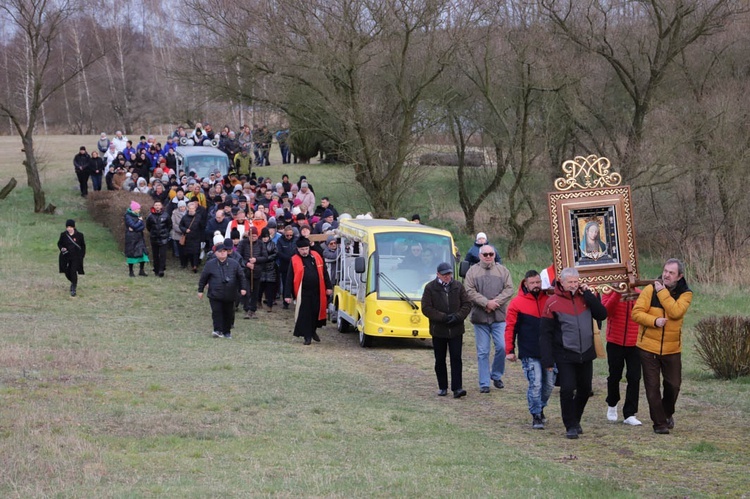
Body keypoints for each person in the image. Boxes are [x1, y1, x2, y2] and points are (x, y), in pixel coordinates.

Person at [540, 267, 607, 439]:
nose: (573, 285)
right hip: (564, 353)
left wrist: (589, 295)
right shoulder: (552, 302)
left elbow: (602, 314)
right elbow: (545, 334)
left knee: (585, 390)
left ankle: (575, 419)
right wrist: (547, 359)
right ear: (561, 282)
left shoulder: (586, 298)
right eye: (570, 282)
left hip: (586, 352)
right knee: (567, 389)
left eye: (576, 282)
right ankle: (569, 425)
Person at [632, 259, 693, 435]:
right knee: (652, 388)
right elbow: (636, 313)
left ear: (679, 276)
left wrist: (662, 292)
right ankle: (659, 424)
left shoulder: (686, 294)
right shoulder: (650, 290)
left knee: (673, 385)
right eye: (665, 271)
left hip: (672, 349)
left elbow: (675, 312)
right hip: (647, 348)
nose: (666, 275)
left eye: (671, 273)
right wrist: (654, 321)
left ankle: (667, 414)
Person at [505, 270, 555, 429]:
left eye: (538, 282)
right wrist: (509, 350)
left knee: (549, 385)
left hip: (549, 351)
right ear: (525, 283)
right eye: (532, 283)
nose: (536, 285)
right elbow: (510, 327)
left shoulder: (548, 299)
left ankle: (540, 407)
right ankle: (536, 415)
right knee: (536, 384)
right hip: (529, 351)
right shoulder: (517, 303)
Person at [463, 245, 514, 393]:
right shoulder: (472, 271)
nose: (488, 256)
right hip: (480, 318)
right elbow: (469, 291)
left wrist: (495, 303)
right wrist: (486, 303)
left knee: (502, 347)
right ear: (479, 255)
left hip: (499, 317)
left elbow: (509, 289)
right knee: (483, 351)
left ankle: (496, 375)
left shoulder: (503, 270)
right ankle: (484, 383)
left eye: (491, 254)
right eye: (485, 254)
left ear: (494, 255)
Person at [421, 262, 472, 398]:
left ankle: (457, 388)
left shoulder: (458, 286)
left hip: (456, 329)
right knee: (440, 359)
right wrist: (443, 317)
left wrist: (458, 316)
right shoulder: (430, 287)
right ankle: (442, 386)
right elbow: (426, 308)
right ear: (438, 274)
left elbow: (467, 304)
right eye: (444, 274)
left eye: (449, 274)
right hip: (439, 330)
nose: (447, 277)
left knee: (456, 358)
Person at [284, 237, 333, 345]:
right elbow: (289, 278)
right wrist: (287, 295)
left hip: (317, 290)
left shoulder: (316, 256)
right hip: (303, 292)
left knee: (316, 312)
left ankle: (313, 330)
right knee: (306, 314)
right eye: (302, 249)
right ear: (298, 249)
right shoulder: (294, 259)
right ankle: (307, 336)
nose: (305, 251)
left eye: (306, 249)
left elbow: (324, 272)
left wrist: (329, 287)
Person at [198, 239, 248, 339]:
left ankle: (227, 332)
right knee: (216, 312)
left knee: (229, 313)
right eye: (220, 252)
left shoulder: (234, 264)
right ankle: (217, 330)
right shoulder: (210, 264)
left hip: (230, 294)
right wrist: (200, 290)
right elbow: (203, 277)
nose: (222, 253)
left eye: (224, 251)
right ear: (215, 253)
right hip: (215, 293)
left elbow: (241, 276)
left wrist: (243, 288)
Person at [58, 219, 86, 297]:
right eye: (67, 227)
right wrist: (62, 248)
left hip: (75, 257)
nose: (69, 228)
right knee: (66, 271)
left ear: (73, 227)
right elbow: (59, 243)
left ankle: (73, 287)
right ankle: (73, 281)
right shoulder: (63, 235)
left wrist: (82, 255)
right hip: (65, 256)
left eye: (70, 227)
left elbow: (83, 246)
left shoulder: (80, 235)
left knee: (73, 271)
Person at [146, 201, 172, 277]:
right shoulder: (150, 216)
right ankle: (156, 269)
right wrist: (153, 232)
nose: (157, 206)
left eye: (158, 205)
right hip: (154, 238)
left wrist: (165, 233)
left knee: (163, 255)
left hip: (163, 237)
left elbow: (169, 225)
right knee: (155, 255)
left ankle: (161, 269)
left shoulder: (166, 215)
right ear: (154, 206)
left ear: (161, 206)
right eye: (156, 205)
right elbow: (148, 226)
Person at [124, 201, 150, 277]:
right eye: (138, 208)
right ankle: (131, 272)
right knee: (131, 254)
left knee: (143, 253)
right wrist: (139, 221)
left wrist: (136, 227)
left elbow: (142, 227)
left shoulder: (138, 215)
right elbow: (134, 225)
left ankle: (141, 270)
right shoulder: (128, 216)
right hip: (131, 238)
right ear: (134, 209)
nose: (139, 210)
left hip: (139, 237)